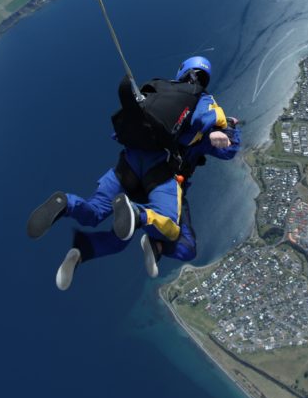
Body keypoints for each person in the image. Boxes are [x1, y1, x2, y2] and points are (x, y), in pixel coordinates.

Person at [26, 56, 241, 290]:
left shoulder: (158, 89)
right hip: (162, 174)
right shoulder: (202, 101)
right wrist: (228, 127)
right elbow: (227, 148)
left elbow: (121, 131)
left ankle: (69, 211)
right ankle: (142, 218)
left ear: (181, 72)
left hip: (128, 163)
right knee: (173, 230)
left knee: (99, 214)